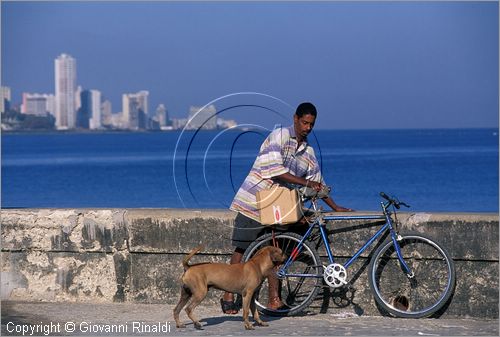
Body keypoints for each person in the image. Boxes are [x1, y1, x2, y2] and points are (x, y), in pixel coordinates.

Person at [221, 102, 352, 314]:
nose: (307, 128)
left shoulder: (308, 151)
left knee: (278, 250)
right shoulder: (279, 136)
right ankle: (228, 295)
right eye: (304, 122)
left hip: (278, 207)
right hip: (254, 201)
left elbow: (317, 180)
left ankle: (274, 299)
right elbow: (276, 172)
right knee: (241, 248)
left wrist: (335, 206)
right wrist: (307, 184)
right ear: (295, 119)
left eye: (311, 124)